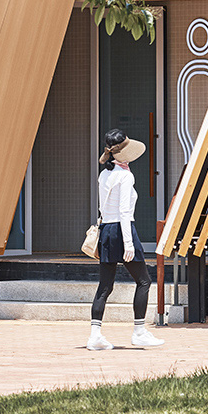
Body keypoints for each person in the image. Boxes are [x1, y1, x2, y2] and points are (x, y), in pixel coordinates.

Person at [87, 128, 165, 351]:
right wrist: (129, 244)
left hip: (106, 232)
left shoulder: (105, 174)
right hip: (123, 230)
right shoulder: (126, 176)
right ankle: (139, 331)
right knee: (144, 281)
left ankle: (95, 336)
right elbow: (124, 212)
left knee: (104, 286)